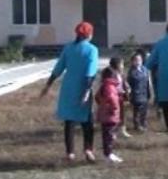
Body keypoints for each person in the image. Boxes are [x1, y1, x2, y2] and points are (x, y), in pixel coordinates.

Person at [40, 22, 98, 163]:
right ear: (89, 34)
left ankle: (70, 153)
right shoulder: (92, 50)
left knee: (69, 120)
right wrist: (86, 91)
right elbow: (90, 72)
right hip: (82, 87)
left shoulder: (68, 48)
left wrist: (48, 85)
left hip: (68, 88)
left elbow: (58, 68)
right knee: (87, 120)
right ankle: (88, 149)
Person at [95, 67, 123, 163]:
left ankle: (108, 153)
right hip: (110, 115)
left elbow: (97, 97)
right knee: (109, 135)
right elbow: (112, 98)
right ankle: (109, 154)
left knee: (107, 134)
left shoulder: (104, 86)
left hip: (105, 114)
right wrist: (114, 107)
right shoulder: (110, 86)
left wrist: (102, 105)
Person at [126, 52, 152, 133]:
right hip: (136, 94)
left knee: (144, 110)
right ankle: (137, 125)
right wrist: (129, 94)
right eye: (136, 60)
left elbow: (148, 81)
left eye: (140, 60)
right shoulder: (131, 72)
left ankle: (143, 123)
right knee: (137, 111)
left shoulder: (145, 70)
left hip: (145, 93)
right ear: (132, 61)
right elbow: (129, 83)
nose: (138, 62)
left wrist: (149, 91)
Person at [109, 56, 131, 139]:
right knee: (114, 115)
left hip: (121, 96)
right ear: (117, 65)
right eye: (121, 64)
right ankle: (113, 132)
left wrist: (128, 88)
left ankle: (122, 130)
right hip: (113, 97)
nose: (122, 66)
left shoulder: (122, 74)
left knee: (122, 114)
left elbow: (124, 83)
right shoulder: (110, 74)